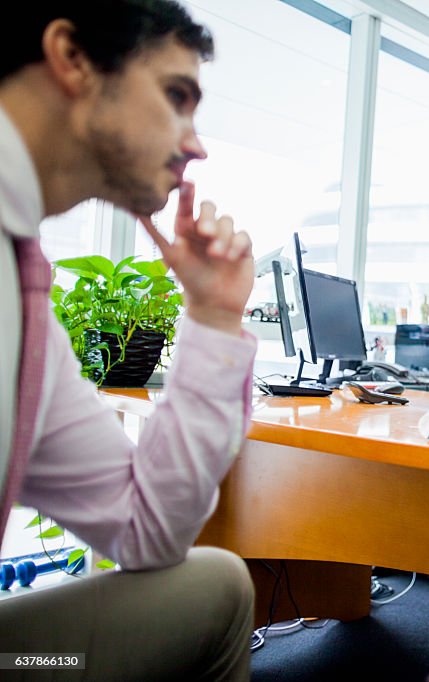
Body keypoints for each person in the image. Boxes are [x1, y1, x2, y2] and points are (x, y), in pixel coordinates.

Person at [1, 2, 257, 679]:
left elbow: (146, 528)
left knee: (217, 587)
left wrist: (213, 317)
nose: (196, 143)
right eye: (176, 95)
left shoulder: (24, 304)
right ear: (73, 57)